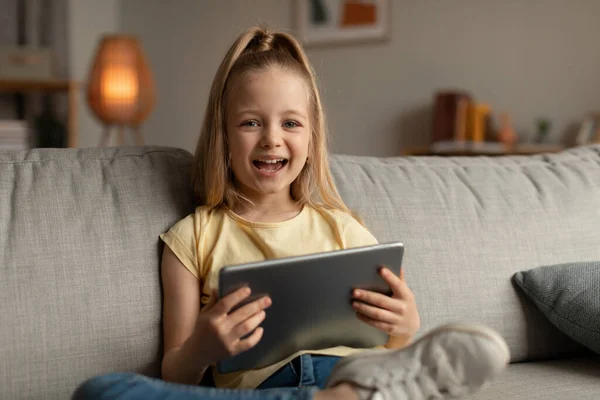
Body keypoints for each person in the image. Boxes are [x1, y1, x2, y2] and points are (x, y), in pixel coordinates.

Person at [72, 26, 510, 400]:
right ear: (223, 135)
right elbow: (176, 374)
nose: (271, 139)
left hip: (348, 368)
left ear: (312, 135)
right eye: (250, 123)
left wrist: (406, 325)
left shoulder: (343, 228)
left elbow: (387, 337)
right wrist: (203, 348)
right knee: (103, 390)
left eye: (291, 123)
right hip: (265, 388)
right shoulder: (192, 239)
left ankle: (352, 392)